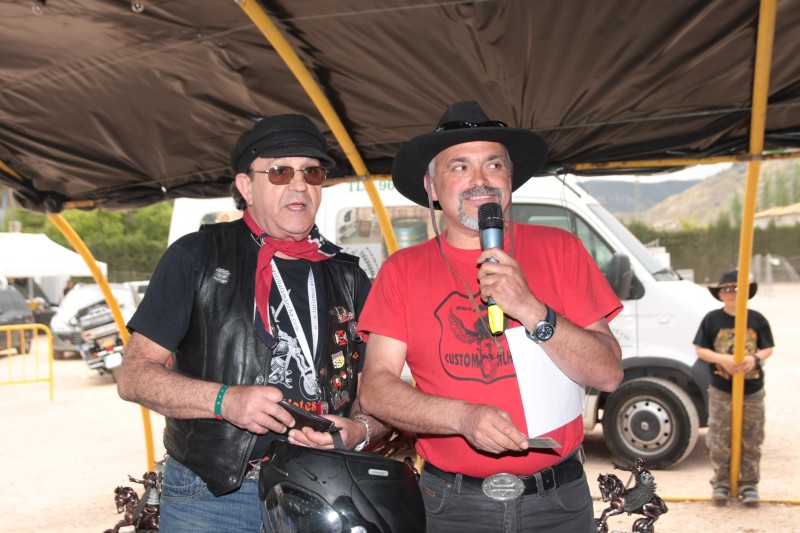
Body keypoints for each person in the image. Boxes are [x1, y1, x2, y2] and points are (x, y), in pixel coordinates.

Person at [357, 101, 624, 532]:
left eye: (494, 164)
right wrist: (462, 417)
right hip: (451, 505)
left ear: (509, 179)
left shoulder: (562, 249)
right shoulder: (401, 271)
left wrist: (530, 308)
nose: (480, 180)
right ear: (431, 186)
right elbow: (375, 388)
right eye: (460, 166)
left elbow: (609, 374)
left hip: (558, 502)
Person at [116, 114, 386, 532]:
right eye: (280, 172)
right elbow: (133, 376)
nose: (300, 185)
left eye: (312, 172)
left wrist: (361, 429)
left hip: (322, 488)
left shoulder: (349, 275)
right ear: (246, 186)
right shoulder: (197, 256)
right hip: (212, 496)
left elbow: (380, 388)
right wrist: (224, 401)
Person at [693, 269, 774, 507]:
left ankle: (749, 484)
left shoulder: (756, 319)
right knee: (719, 437)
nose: (731, 293)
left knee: (752, 437)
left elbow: (768, 348)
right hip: (721, 389)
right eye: (726, 289)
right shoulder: (712, 319)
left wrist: (754, 359)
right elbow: (700, 349)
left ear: (746, 292)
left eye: (736, 288)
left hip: (752, 389)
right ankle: (721, 483)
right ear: (719, 294)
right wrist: (722, 359)